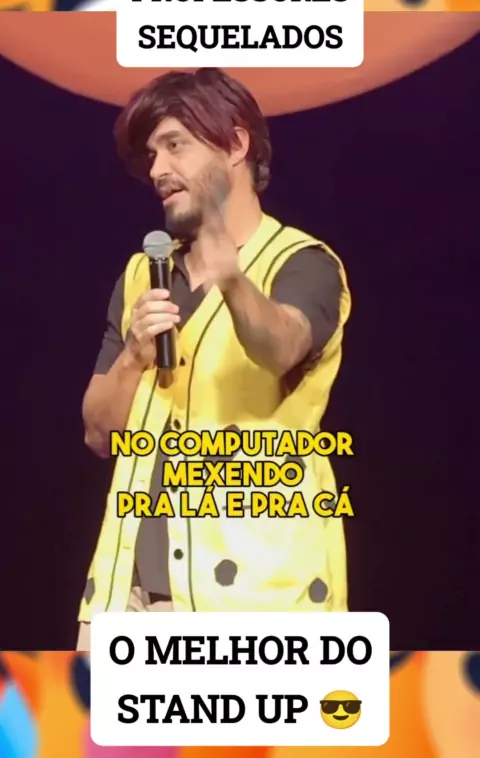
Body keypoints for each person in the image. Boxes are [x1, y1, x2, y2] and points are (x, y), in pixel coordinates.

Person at [77, 67, 351, 651]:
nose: (157, 169)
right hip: (127, 601)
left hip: (256, 606)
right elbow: (98, 434)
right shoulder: (142, 276)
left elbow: (282, 345)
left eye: (175, 145)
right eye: (152, 154)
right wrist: (133, 356)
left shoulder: (303, 263)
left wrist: (231, 277)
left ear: (235, 144)